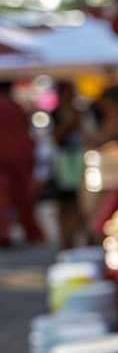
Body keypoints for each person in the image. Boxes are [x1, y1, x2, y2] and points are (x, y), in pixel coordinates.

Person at [0, 81, 43, 246]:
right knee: (25, 197)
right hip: (20, 156)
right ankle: (32, 232)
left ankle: (4, 233)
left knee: (4, 198)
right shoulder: (15, 107)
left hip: (9, 157)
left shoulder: (15, 107)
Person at [47, 81, 88, 249]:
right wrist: (68, 122)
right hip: (63, 162)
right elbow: (54, 138)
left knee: (79, 204)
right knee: (65, 205)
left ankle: (79, 240)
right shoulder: (55, 114)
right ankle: (66, 242)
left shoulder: (79, 112)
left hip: (77, 160)